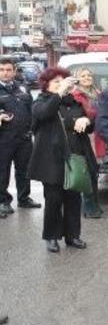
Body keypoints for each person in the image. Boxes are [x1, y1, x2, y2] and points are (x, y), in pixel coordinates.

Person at [28, 67, 93, 252]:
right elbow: (44, 113)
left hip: (74, 156)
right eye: (56, 81)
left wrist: (86, 121)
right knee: (53, 200)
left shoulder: (73, 102)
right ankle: (51, 236)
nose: (61, 84)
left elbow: (88, 125)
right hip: (51, 159)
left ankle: (73, 235)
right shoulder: (41, 101)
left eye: (63, 81)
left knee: (74, 198)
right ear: (46, 84)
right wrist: (59, 92)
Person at [0, 57, 40, 217]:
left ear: (14, 71)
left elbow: (32, 109)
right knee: (2, 171)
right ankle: (3, 201)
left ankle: (24, 198)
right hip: (4, 138)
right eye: (1, 70)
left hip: (24, 137)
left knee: (24, 169)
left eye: (8, 70)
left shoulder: (23, 87)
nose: (5, 73)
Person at [71, 67, 105, 219]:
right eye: (83, 76)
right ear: (77, 79)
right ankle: (89, 207)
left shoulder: (98, 94)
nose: (86, 78)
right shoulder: (75, 95)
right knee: (87, 172)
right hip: (84, 137)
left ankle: (95, 204)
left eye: (89, 75)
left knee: (94, 171)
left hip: (98, 136)